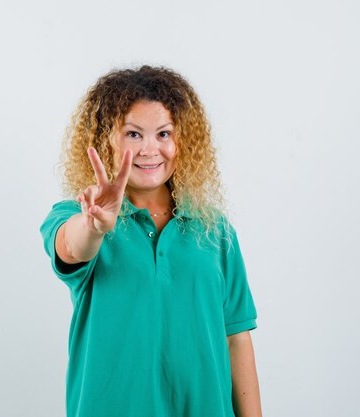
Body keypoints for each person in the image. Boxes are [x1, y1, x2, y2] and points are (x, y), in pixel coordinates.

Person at [39, 65, 262, 417]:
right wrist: (95, 227)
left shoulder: (214, 229)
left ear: (183, 141)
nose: (149, 149)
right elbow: (71, 249)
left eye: (163, 133)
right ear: (103, 140)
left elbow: (236, 338)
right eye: (132, 134)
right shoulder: (79, 213)